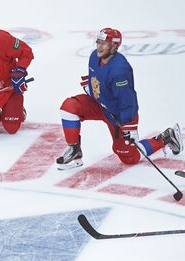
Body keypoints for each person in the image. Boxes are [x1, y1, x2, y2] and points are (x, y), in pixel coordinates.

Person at [56, 28, 183, 169]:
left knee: (129, 157)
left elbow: (128, 101)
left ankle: (166, 138)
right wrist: (90, 86)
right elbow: (97, 76)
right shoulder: (94, 56)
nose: (99, 46)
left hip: (118, 114)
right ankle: (74, 150)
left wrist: (130, 126)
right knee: (69, 107)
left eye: (104, 43)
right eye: (98, 42)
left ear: (115, 46)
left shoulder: (120, 70)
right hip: (99, 103)